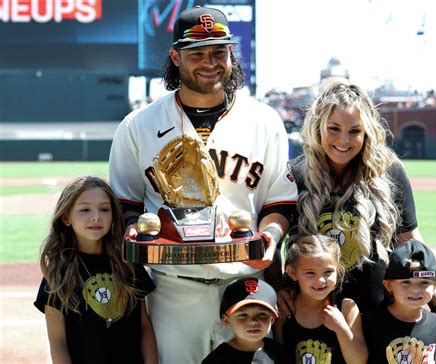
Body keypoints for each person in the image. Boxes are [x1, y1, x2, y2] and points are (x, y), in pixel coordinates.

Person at [108, 6, 297, 363]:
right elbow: (125, 201)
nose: (210, 62)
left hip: (245, 287)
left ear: (230, 54)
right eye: (197, 53)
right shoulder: (139, 125)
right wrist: (136, 230)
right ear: (176, 56)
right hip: (173, 290)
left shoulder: (264, 120)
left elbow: (280, 203)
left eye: (218, 51)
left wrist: (269, 239)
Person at [277, 77, 436, 357]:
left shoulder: (389, 172)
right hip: (311, 316)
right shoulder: (296, 174)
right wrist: (279, 288)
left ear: (367, 132)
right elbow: (274, 240)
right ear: (318, 127)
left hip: (375, 312)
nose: (343, 140)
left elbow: (410, 242)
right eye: (334, 129)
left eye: (354, 131)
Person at [34, 176, 158, 363]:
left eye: (104, 209)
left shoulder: (127, 263)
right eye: (85, 209)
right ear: (66, 217)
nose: (96, 217)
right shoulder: (59, 272)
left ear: (113, 214)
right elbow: (58, 343)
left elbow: (144, 327)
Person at [274, 234, 367, 363]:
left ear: (338, 270)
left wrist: (341, 329)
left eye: (328, 272)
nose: (320, 280)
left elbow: (359, 361)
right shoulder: (285, 309)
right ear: (293, 273)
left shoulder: (346, 307)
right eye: (310, 273)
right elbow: (278, 358)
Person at [362, 239, 436, 363]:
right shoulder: (369, 322)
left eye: (424, 282)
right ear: (388, 285)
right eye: (406, 282)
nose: (415, 290)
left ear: (435, 285)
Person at [202, 277, 290, 363]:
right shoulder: (217, 359)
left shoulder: (278, 353)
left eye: (262, 314)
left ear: (272, 319)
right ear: (226, 320)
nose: (253, 321)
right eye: (243, 315)